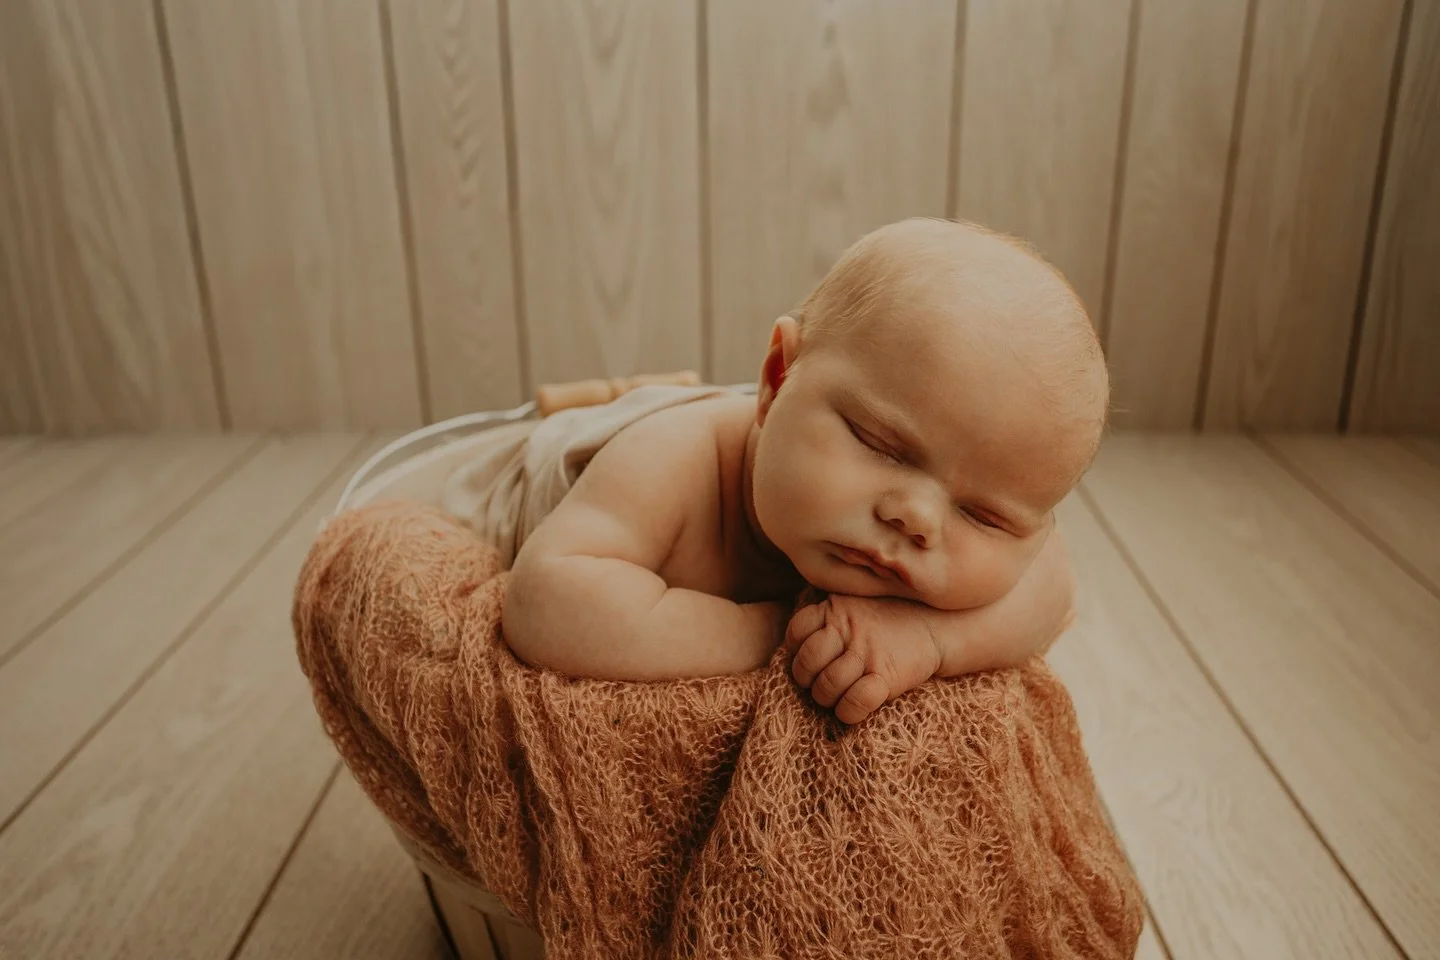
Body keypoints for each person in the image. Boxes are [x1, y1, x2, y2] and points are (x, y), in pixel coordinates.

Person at [500, 217, 1109, 724]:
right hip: (511, 484)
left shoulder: (1008, 549)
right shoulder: (670, 459)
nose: (917, 517)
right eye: (881, 445)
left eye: (984, 516)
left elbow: (1052, 585)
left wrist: (925, 641)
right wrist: (774, 633)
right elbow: (543, 600)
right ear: (778, 378)